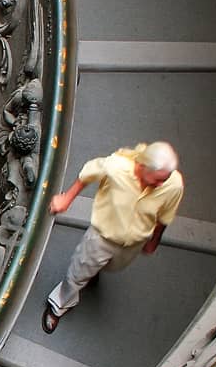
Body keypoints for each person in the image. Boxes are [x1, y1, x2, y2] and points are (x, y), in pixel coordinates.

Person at [40, 141, 184, 333]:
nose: (160, 184)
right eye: (157, 179)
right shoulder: (116, 167)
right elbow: (88, 173)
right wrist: (66, 199)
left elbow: (164, 216)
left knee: (113, 267)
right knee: (77, 273)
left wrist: (153, 241)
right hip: (102, 238)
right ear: (142, 166)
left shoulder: (173, 185)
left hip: (133, 243)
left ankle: (94, 273)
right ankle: (59, 304)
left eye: (164, 180)